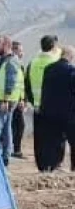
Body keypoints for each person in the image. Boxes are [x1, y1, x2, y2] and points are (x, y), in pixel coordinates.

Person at [0, 35, 23, 166]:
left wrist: (5, 100)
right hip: (1, 100)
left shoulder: (11, 61)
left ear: (6, 45)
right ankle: (5, 156)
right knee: (6, 129)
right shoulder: (3, 60)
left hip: (3, 101)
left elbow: (10, 82)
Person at [26, 35, 63, 171]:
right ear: (53, 46)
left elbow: (27, 85)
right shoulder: (55, 62)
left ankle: (42, 165)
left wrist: (33, 101)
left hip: (37, 107)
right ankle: (53, 164)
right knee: (54, 137)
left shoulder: (33, 62)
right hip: (53, 107)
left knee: (39, 138)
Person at [39, 46, 75, 171]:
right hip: (68, 112)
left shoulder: (49, 69)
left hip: (49, 112)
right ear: (70, 56)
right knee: (72, 140)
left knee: (53, 140)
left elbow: (44, 89)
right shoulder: (71, 71)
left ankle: (53, 165)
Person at [10, 41, 27, 160]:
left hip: (18, 101)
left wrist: (23, 100)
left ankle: (16, 150)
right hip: (10, 101)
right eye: (20, 50)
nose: (22, 53)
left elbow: (21, 85)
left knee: (20, 125)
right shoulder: (10, 64)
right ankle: (9, 150)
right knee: (10, 126)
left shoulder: (20, 65)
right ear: (14, 51)